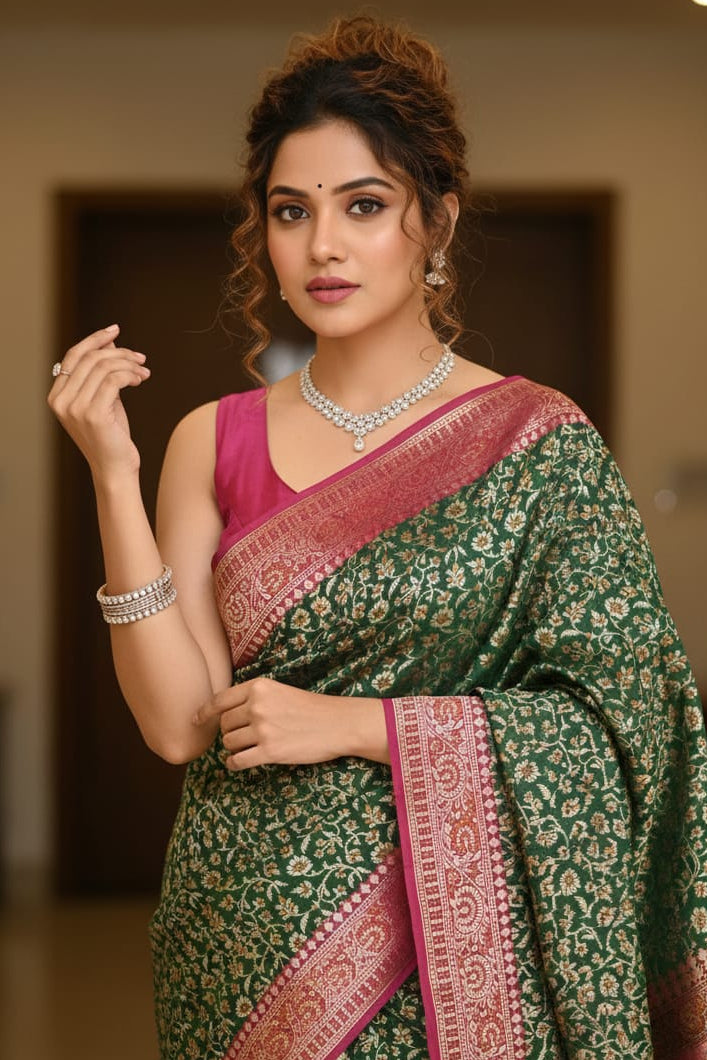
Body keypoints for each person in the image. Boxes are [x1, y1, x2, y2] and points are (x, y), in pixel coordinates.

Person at [47, 15, 707, 1060]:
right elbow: (178, 726)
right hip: (246, 950)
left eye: (363, 205)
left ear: (434, 223)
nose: (322, 245)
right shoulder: (211, 438)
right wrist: (112, 476)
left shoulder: (537, 443)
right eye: (290, 211)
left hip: (463, 969)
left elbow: (626, 723)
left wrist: (359, 725)